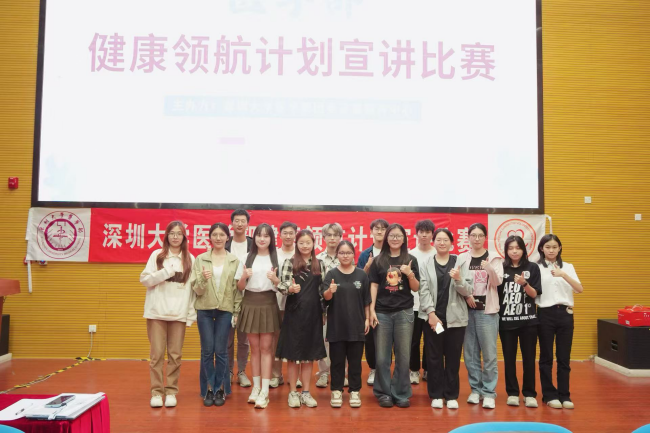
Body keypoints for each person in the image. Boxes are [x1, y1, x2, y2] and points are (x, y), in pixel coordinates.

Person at [140, 221, 196, 408]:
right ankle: (156, 392)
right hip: (157, 314)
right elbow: (145, 280)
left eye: (179, 233)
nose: (175, 236)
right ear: (166, 236)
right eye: (172, 233)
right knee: (156, 355)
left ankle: (171, 391)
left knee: (175, 355)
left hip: (178, 315)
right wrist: (165, 272)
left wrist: (190, 316)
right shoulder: (157, 255)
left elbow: (193, 291)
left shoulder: (190, 259)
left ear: (184, 237)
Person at [191, 223, 243, 407]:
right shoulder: (201, 259)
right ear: (210, 237)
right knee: (207, 350)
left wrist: (236, 311)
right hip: (204, 309)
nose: (218, 238)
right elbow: (196, 289)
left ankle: (220, 388)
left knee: (221, 351)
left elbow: (237, 289)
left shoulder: (234, 260)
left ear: (227, 237)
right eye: (215, 234)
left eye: (222, 234)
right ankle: (208, 389)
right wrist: (202, 279)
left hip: (225, 310)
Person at [369, 223, 420, 408]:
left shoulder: (410, 259)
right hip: (382, 313)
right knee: (382, 357)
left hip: (404, 312)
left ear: (404, 238)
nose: (395, 239)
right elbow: (374, 285)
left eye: (398, 236)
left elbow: (416, 287)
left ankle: (401, 393)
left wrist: (409, 274)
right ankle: (383, 393)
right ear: (386, 238)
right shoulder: (378, 260)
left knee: (403, 356)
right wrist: (371, 310)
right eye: (392, 236)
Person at [276, 230, 327, 408]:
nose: (305, 246)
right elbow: (282, 285)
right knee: (292, 356)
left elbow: (323, 291)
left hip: (313, 315)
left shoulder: (320, 264)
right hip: (293, 313)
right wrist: (289, 289)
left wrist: (324, 313)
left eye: (308, 243)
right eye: (301, 243)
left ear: (314, 244)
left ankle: (305, 392)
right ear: (296, 244)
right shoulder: (289, 263)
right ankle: (292, 392)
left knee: (308, 356)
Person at [419, 228, 468, 410]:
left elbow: (468, 290)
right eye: (438, 239)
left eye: (445, 240)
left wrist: (459, 279)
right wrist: (431, 314)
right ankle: (436, 394)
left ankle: (451, 395)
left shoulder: (460, 262)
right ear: (433, 242)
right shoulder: (426, 263)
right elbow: (423, 290)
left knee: (453, 358)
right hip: (435, 321)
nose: (441, 242)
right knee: (434, 357)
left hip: (455, 320)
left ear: (452, 243)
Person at [455, 223, 503, 409]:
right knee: (470, 353)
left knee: (489, 354)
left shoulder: (494, 258)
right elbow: (457, 281)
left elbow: (497, 282)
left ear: (485, 237)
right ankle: (475, 390)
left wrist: (489, 268)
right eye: (473, 235)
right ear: (468, 237)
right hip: (466, 310)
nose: (476, 238)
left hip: (487, 311)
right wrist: (467, 295)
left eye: (480, 235)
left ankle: (489, 392)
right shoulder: (461, 258)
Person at [236, 223, 281, 409]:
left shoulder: (276, 258)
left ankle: (265, 390)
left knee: (266, 348)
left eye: (266, 236)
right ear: (254, 238)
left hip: (269, 302)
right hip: (250, 302)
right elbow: (240, 286)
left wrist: (276, 280)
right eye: (259, 235)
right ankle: (255, 388)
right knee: (254, 348)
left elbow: (282, 286)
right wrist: (243, 277)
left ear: (271, 239)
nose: (262, 239)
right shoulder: (247, 257)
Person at [536, 234, 583, 410]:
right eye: (547, 247)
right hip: (545, 314)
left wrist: (563, 275)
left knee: (564, 357)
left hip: (565, 314)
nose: (551, 250)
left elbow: (579, 289)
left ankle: (565, 395)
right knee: (546, 357)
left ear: (560, 248)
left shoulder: (568, 267)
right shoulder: (536, 267)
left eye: (554, 247)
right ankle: (549, 395)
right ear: (542, 249)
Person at [322, 241, 371, 408]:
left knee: (355, 362)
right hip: (336, 325)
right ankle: (336, 390)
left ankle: (355, 391)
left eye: (348, 252)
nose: (345, 256)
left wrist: (367, 319)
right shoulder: (331, 274)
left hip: (356, 325)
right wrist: (330, 291)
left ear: (353, 255)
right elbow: (325, 299)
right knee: (336, 361)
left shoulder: (361, 275)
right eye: (342, 253)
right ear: (337, 255)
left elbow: (366, 300)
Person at [498, 235, 542, 408]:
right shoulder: (501, 268)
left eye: (518, 248)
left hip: (528, 322)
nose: (514, 251)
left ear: (524, 249)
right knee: (509, 359)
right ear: (506, 250)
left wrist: (524, 284)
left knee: (529, 359)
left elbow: (534, 294)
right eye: (510, 248)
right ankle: (512, 393)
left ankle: (529, 394)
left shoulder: (532, 267)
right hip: (506, 322)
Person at [357, 218, 389, 386]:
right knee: (369, 337)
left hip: (388, 300)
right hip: (368, 300)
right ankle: (373, 369)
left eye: (383, 229)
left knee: (387, 338)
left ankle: (385, 369)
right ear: (371, 232)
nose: (380, 231)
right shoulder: (365, 254)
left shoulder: (392, 252)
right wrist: (367, 267)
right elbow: (358, 279)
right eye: (376, 229)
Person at [225, 209, 253, 388]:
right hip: (227, 298)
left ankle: (241, 371)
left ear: (248, 224)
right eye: (237, 220)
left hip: (248, 297)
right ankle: (228, 371)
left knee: (244, 340)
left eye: (243, 221)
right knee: (227, 339)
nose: (240, 224)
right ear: (232, 223)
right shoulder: (224, 243)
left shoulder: (254, 245)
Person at [408, 219, 436, 384]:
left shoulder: (437, 253)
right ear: (416, 234)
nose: (424, 235)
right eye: (421, 232)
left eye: (427, 232)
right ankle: (413, 370)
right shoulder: (410, 255)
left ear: (432, 234)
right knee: (413, 340)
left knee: (432, 340)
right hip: (413, 306)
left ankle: (428, 369)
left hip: (433, 308)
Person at [315, 222, 343, 388]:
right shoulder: (318, 259)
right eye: (329, 235)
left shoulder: (346, 255)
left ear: (340, 237)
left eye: (336, 235)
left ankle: (341, 373)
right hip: (323, 307)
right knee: (324, 341)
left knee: (343, 341)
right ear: (323, 238)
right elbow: (316, 286)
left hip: (343, 307)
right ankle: (323, 373)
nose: (332, 238)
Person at [271, 221, 298, 389]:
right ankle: (276, 375)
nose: (288, 236)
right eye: (285, 233)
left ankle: (295, 377)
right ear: (279, 235)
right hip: (275, 302)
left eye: (291, 233)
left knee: (295, 340)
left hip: (295, 304)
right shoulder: (273, 254)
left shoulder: (301, 253)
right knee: (275, 341)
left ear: (295, 235)